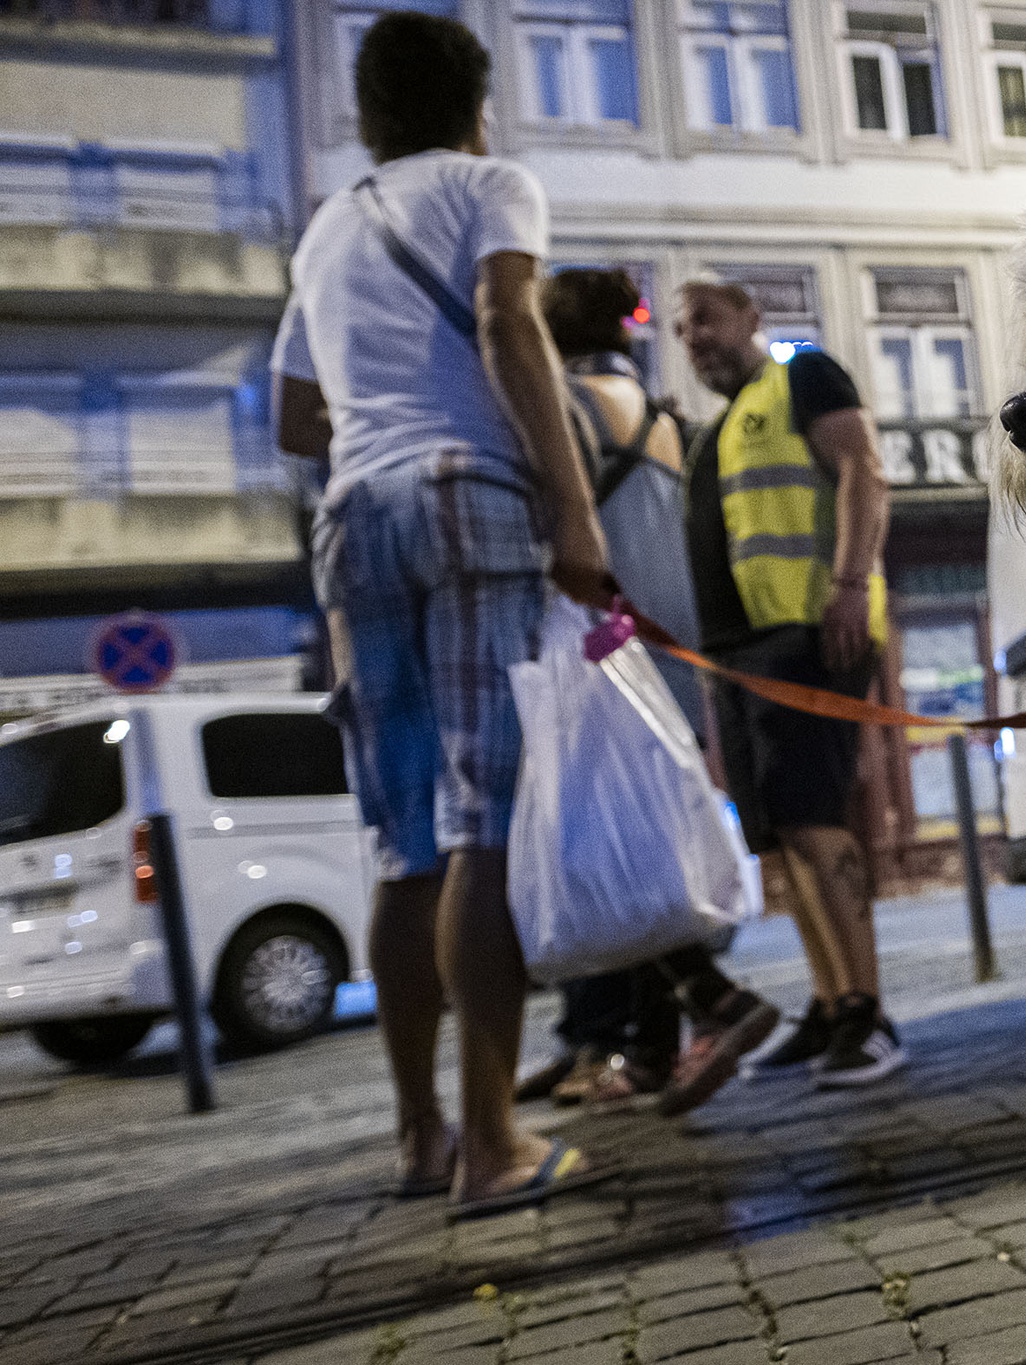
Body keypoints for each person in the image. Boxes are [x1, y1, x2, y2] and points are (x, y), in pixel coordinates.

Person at [271, 12, 612, 1214]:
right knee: (482, 821)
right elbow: (508, 323)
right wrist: (573, 513)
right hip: (470, 501)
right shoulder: (489, 183)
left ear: (369, 114)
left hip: (354, 516)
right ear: (477, 105)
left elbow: (293, 420)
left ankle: (416, 1138)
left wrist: (384, 413)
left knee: (400, 841)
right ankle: (491, 1144)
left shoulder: (326, 230)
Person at [511, 268, 779, 1115]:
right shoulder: (670, 419)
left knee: (613, 851)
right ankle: (653, 1052)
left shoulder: (563, 409)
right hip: (674, 655)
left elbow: (554, 529)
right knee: (648, 844)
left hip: (601, 652)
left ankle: (717, 1004)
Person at [676, 277, 902, 1087]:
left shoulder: (803, 376)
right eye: (680, 327)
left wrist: (847, 586)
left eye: (703, 317)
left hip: (807, 634)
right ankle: (830, 999)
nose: (690, 335)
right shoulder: (722, 427)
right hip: (740, 655)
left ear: (749, 316)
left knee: (816, 824)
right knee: (781, 837)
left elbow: (862, 472)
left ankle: (867, 1015)